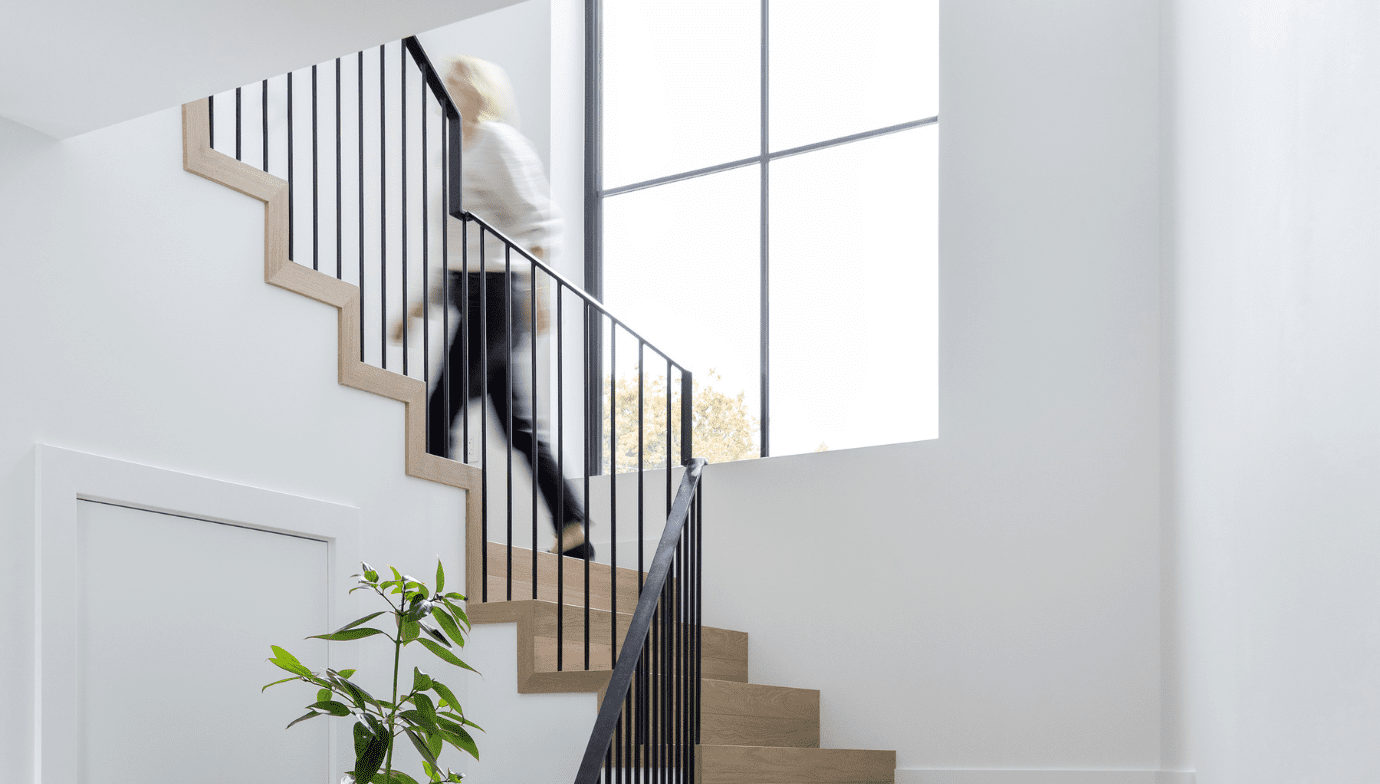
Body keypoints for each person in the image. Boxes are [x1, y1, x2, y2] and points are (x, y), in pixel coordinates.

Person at [394, 55, 592, 559]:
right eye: (448, 77)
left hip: (499, 299)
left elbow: (539, 219)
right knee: (518, 427)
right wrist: (421, 305)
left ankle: (436, 528)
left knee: (438, 412)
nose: (448, 83)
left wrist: (540, 293)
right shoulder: (455, 149)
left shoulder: (499, 142)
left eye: (458, 76)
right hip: (471, 295)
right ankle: (573, 527)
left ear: (481, 87)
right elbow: (461, 244)